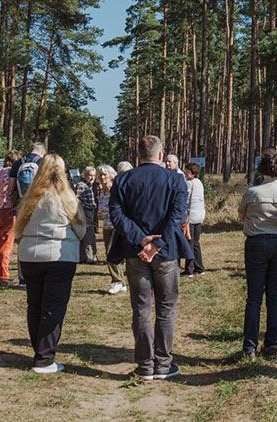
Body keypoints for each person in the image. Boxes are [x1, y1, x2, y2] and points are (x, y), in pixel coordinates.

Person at [108, 135, 192, 380]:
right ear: (159, 155)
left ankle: (145, 366)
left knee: (141, 308)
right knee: (166, 307)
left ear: (139, 155)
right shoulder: (175, 179)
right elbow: (176, 216)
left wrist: (142, 240)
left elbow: (116, 214)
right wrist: (155, 243)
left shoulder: (123, 179)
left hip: (137, 252)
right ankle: (163, 365)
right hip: (164, 253)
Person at [14, 154, 86, 373]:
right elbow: (81, 230)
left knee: (34, 305)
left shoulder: (29, 197)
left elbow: (19, 228)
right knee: (53, 307)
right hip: (59, 256)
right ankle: (44, 359)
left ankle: (40, 352)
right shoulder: (67, 197)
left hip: (30, 256)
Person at [235, 150, 277, 362]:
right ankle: (271, 346)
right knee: (274, 294)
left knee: (254, 296)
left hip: (257, 243)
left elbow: (241, 215)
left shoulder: (253, 192)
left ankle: (249, 347)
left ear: (262, 169)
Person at [10, 142, 46, 287]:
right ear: (42, 152)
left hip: (22, 204)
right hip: (40, 205)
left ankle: (23, 278)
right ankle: (40, 275)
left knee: (23, 240)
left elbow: (11, 186)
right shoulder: (44, 163)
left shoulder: (18, 162)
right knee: (41, 237)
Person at [96, 164, 127, 295]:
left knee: (111, 255)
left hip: (117, 226)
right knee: (112, 255)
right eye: (101, 175)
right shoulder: (101, 191)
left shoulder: (117, 189)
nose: (103, 177)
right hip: (106, 226)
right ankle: (122, 283)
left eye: (105, 174)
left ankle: (117, 282)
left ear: (111, 175)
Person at [0, 150, 21, 287]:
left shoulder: (0, 172)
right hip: (8, 210)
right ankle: (3, 275)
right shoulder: (14, 174)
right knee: (6, 243)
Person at [181, 162, 206, 278]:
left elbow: (183, 199)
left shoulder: (189, 184)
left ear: (191, 173)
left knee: (189, 243)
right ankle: (199, 267)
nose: (184, 173)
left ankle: (189, 269)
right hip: (200, 215)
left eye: (186, 171)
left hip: (190, 217)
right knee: (196, 243)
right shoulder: (199, 183)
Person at [75, 166, 99, 264]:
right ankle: (91, 258)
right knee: (89, 235)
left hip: (89, 211)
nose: (92, 178)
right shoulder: (81, 185)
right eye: (90, 175)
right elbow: (77, 199)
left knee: (84, 235)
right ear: (85, 175)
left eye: (94, 175)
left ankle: (82, 257)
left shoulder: (89, 185)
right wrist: (87, 207)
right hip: (85, 212)